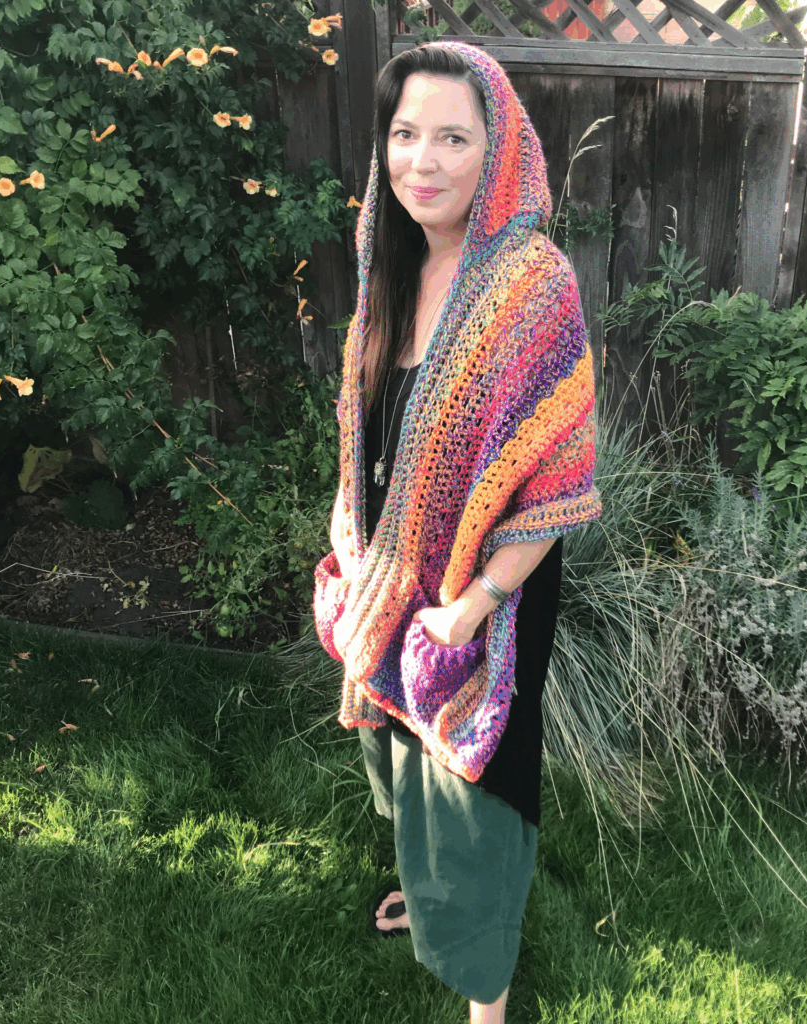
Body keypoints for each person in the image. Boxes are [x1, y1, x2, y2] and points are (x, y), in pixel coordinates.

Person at [313, 40, 602, 1024]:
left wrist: (470, 604)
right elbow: (370, 437)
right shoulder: (384, 262)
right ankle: (429, 894)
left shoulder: (531, 285)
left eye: (451, 137)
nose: (421, 161)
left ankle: (485, 991)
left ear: (499, 150)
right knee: (404, 759)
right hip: (395, 580)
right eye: (403, 135)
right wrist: (353, 546)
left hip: (485, 597)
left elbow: (558, 487)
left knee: (470, 792)